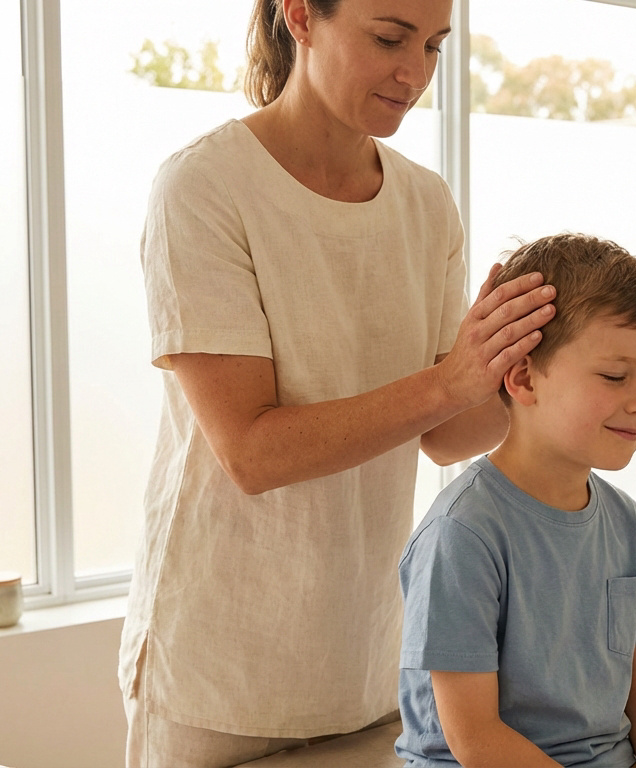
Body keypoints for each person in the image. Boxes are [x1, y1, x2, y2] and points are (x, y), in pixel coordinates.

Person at [117, 0, 556, 765]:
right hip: (219, 671)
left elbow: (448, 437)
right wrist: (451, 382)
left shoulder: (426, 203)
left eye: (433, 46)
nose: (414, 72)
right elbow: (252, 454)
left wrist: (517, 373)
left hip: (372, 660)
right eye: (389, 38)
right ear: (302, 17)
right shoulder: (205, 186)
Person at [395, 233, 636, 768]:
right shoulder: (463, 533)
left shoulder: (625, 522)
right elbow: (475, 739)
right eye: (614, 376)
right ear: (524, 377)